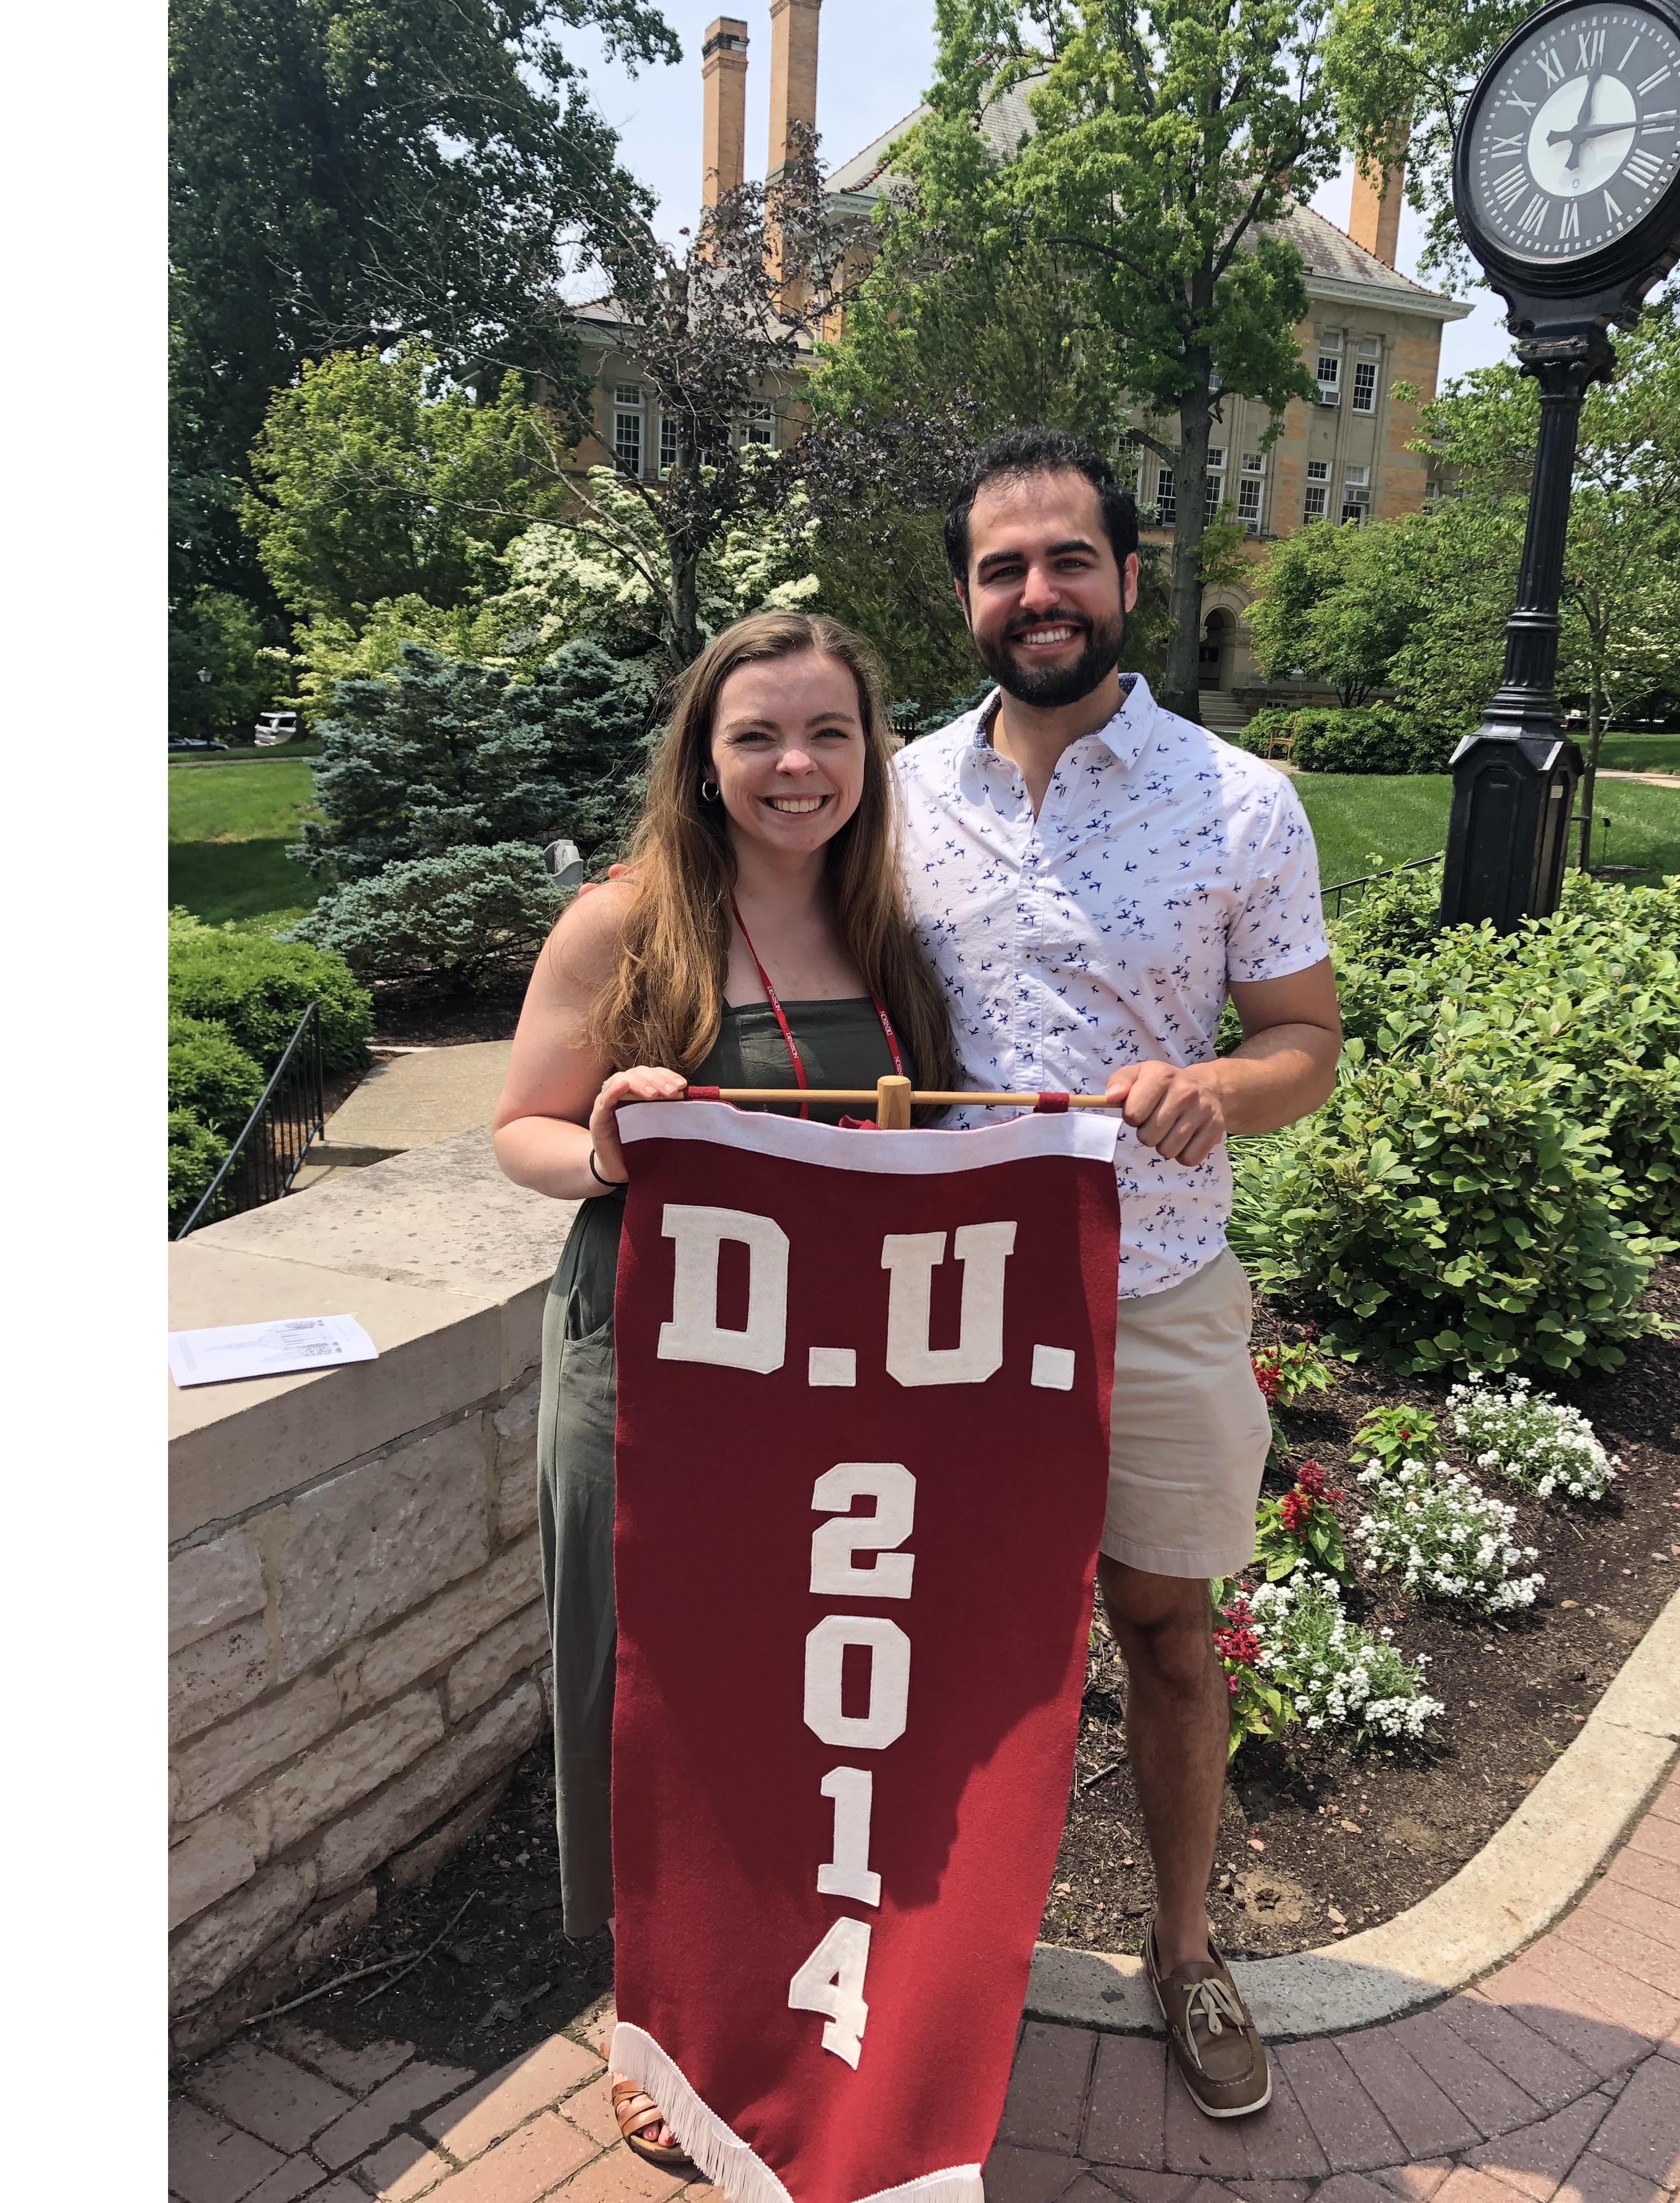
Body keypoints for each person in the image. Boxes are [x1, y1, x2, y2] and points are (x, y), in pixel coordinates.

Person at [893, 428, 1344, 2120]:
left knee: (1165, 1633)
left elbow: (1306, 1045)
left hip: (1154, 1290)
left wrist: (1212, 1090)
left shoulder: (1239, 802)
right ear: (969, 597)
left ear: (1130, 578)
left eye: (1068, 559)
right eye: (1004, 567)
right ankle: (945, 1958)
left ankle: (1181, 1947)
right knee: (944, 1652)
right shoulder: (902, 790)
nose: (1037, 593)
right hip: (939, 1307)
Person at [491, 609, 956, 2164]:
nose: (795, 765)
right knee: (652, 1697)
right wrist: (614, 1136)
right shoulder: (626, 922)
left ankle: (772, 1978)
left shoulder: (886, 924)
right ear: (703, 754)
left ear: (869, 756)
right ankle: (654, 2016)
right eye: (757, 735)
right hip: (649, 1368)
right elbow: (523, 1135)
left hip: (827, 1379)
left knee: (790, 1694)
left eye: (828, 733)